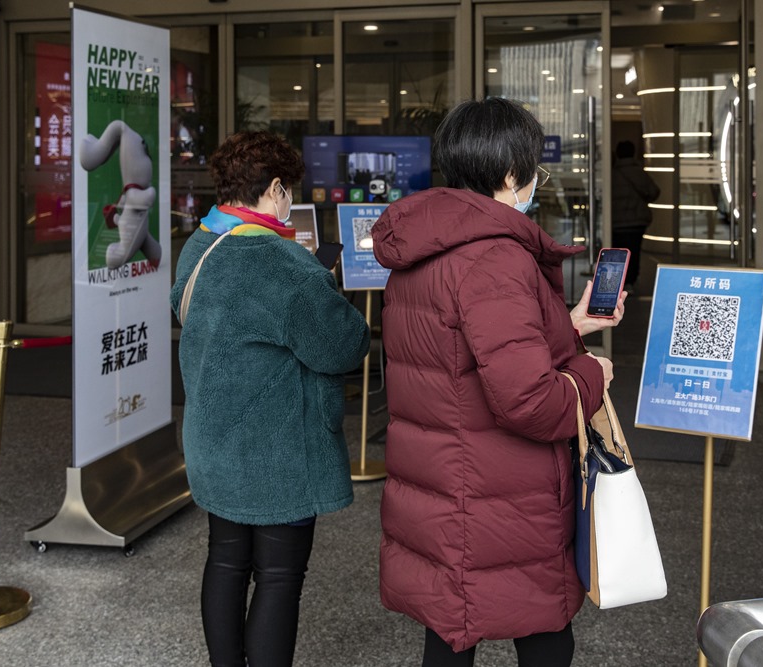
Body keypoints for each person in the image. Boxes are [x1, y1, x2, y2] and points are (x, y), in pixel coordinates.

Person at [372, 97, 626, 667]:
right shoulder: (495, 258)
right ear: (512, 175)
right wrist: (591, 372)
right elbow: (532, 402)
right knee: (541, 631)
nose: (537, 179)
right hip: (502, 495)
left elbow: (459, 352)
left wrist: (571, 323)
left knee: (452, 627)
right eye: (532, 167)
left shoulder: (425, 246)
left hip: (442, 483)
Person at [170, 131, 370, 667]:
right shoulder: (284, 265)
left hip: (214, 442)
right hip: (278, 455)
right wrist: (321, 287)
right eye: (289, 192)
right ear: (277, 187)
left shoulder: (201, 243)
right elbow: (344, 347)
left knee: (227, 560)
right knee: (280, 577)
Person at [610, 140, 660, 288]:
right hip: (636, 222)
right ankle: (630, 282)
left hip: (616, 222)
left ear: (618, 154)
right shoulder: (639, 173)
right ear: (634, 153)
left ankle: (616, 283)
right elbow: (654, 192)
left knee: (617, 253)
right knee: (634, 252)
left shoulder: (612, 174)